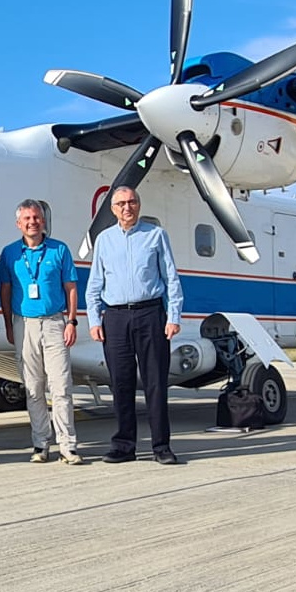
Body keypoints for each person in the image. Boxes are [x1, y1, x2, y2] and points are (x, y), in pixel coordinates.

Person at [84, 185, 184, 465]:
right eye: (121, 204)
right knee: (121, 383)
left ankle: (161, 446)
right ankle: (124, 446)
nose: (127, 208)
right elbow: (95, 283)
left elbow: (171, 278)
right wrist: (94, 319)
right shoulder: (104, 240)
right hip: (115, 317)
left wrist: (173, 316)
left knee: (156, 382)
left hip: (150, 314)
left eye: (132, 202)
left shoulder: (156, 235)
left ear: (139, 205)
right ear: (113, 209)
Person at [0, 199, 84, 466]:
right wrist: (9, 325)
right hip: (24, 324)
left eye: (36, 218)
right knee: (33, 387)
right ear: (18, 224)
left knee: (61, 386)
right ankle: (40, 444)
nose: (32, 222)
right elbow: (5, 291)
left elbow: (70, 287)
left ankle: (67, 446)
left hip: (55, 322)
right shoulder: (10, 253)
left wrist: (71, 321)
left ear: (43, 221)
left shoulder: (59, 249)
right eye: (27, 219)